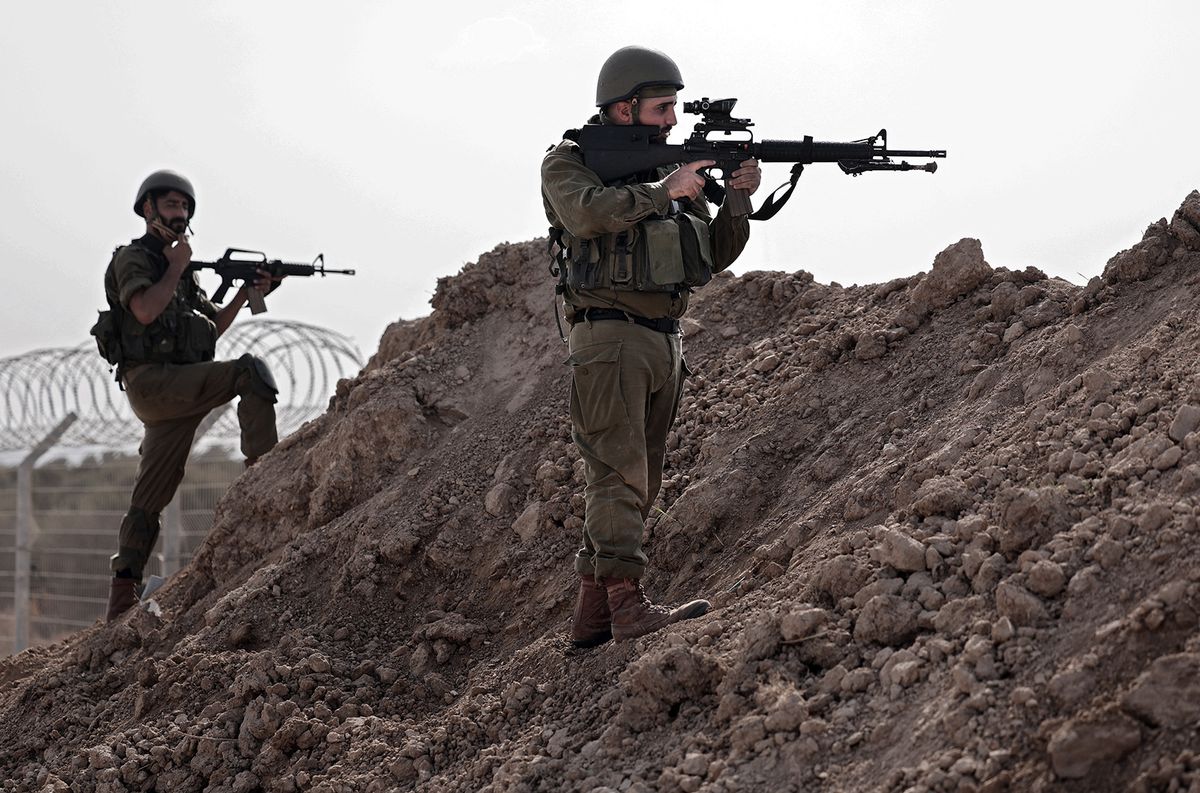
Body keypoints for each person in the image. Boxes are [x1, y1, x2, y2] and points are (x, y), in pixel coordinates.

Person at [541, 46, 762, 647]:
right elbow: (585, 217)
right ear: (622, 107)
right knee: (616, 474)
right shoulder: (572, 162)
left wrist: (736, 194)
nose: (672, 120)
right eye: (662, 108)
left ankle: (593, 620)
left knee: (639, 479)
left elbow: (712, 256)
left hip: (663, 342)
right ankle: (628, 608)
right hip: (609, 337)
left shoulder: (671, 174)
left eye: (675, 109)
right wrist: (668, 189)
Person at [95, 170, 282, 621]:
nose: (178, 214)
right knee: (250, 372)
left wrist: (248, 292)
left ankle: (122, 595)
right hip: (152, 383)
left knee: (149, 498)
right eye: (170, 205)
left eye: (184, 207)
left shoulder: (183, 275)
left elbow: (211, 326)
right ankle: (268, 478)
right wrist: (177, 265)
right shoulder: (135, 260)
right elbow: (142, 309)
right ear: (147, 209)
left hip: (177, 387)